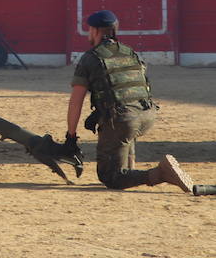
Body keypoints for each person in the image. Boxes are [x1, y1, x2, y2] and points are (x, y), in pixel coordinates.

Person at [63, 11, 206, 194]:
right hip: (147, 115)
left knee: (111, 177)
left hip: (124, 120)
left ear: (96, 31)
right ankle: (130, 165)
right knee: (122, 122)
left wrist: (71, 136)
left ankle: (161, 173)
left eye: (90, 30)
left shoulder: (91, 58)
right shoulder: (130, 52)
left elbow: (76, 101)